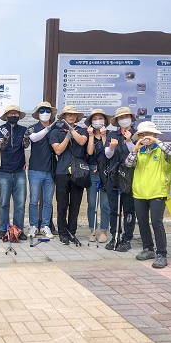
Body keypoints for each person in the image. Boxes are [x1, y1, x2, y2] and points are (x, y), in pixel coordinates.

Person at [125, 121, 171, 269]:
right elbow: (128, 164)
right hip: (139, 192)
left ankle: (162, 254)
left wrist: (156, 141)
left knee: (156, 222)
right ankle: (148, 248)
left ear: (154, 134)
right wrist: (135, 148)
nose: (145, 137)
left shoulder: (161, 150)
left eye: (149, 134)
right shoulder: (138, 151)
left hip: (157, 191)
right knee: (142, 221)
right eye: (142, 134)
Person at [49, 105, 88, 245]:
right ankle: (62, 232)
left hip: (79, 172)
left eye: (74, 114)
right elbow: (58, 150)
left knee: (75, 204)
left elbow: (82, 141)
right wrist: (67, 136)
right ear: (63, 116)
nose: (72, 116)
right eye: (68, 114)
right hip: (62, 172)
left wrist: (72, 130)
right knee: (62, 204)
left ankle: (72, 231)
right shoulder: (55, 131)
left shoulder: (82, 130)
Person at [104, 106, 137, 252]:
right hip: (114, 176)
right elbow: (107, 155)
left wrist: (129, 141)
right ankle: (115, 236)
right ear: (117, 121)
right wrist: (111, 147)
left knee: (129, 209)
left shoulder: (137, 134)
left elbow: (137, 154)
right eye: (120, 118)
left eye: (126, 117)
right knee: (114, 209)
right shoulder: (113, 134)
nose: (123, 120)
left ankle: (127, 238)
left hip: (130, 177)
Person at [0, 105, 29, 240]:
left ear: (19, 116)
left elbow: (26, 145)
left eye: (15, 113)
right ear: (6, 116)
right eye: (10, 113)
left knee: (20, 203)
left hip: (20, 171)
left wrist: (27, 138)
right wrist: (5, 138)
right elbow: (1, 145)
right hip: (3, 171)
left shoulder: (24, 130)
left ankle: (18, 230)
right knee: (3, 203)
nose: (13, 115)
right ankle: (3, 229)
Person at [26, 101, 58, 239]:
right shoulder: (32, 128)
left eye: (47, 111)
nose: (45, 113)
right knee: (33, 200)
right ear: (38, 114)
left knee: (48, 201)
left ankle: (45, 226)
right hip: (35, 170)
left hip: (50, 170)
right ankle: (33, 225)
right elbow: (33, 138)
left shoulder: (55, 129)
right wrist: (48, 129)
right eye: (42, 111)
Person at [84, 109, 112, 243]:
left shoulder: (110, 134)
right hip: (92, 170)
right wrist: (90, 136)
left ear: (105, 121)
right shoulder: (88, 134)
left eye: (100, 118)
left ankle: (104, 231)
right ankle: (92, 230)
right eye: (95, 119)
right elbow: (89, 152)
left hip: (106, 172)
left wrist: (104, 136)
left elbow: (108, 153)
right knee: (92, 203)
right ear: (91, 122)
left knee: (105, 204)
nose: (98, 120)